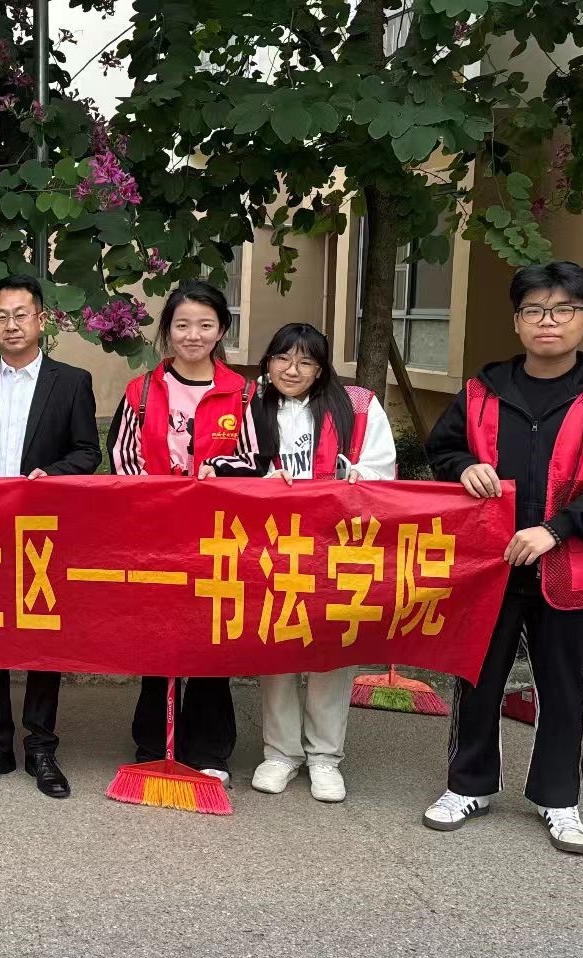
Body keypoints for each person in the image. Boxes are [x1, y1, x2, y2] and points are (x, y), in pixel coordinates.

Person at [420, 262, 583, 855]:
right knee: (477, 679)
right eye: (535, 311)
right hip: (488, 566)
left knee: (563, 688)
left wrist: (556, 530)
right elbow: (443, 447)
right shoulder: (483, 389)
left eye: (563, 309)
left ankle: (558, 798)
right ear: (517, 322)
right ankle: (468, 785)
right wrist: (462, 466)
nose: (549, 322)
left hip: (568, 566)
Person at [205, 323, 397, 803]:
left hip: (336, 544)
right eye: (282, 359)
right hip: (270, 545)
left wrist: (348, 475)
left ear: (322, 368)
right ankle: (280, 753)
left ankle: (325, 758)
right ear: (268, 361)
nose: (292, 370)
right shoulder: (247, 403)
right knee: (276, 644)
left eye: (306, 361)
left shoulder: (358, 405)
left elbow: (383, 470)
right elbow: (223, 463)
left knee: (332, 647)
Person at [0, 275, 101, 799]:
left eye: (21, 315)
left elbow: (87, 452)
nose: (12, 325)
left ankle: (41, 746)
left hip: (42, 531)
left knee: (42, 638)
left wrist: (52, 474)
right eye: (2, 317)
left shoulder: (71, 382)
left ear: (41, 320)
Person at [106, 280, 253, 787]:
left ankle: (210, 748)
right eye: (182, 324)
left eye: (205, 325)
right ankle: (154, 742)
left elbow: (255, 460)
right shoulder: (143, 390)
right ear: (168, 331)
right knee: (158, 639)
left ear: (222, 330)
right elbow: (123, 458)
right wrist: (158, 499)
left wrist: (219, 472)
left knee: (211, 641)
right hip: (156, 535)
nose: (193, 335)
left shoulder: (243, 393)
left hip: (219, 538)